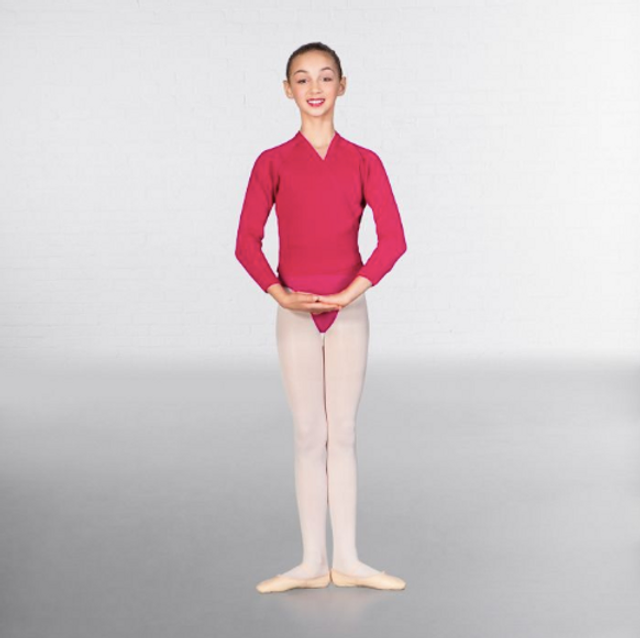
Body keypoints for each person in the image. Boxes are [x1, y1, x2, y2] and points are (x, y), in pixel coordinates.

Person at [235, 42, 408, 593]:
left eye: (326, 77)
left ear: (342, 86)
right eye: (303, 78)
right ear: (287, 90)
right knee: (310, 432)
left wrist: (352, 291)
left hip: (348, 311)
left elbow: (393, 239)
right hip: (296, 313)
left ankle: (348, 560)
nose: (315, 88)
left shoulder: (364, 161)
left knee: (344, 432)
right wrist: (280, 294)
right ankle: (312, 562)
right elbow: (246, 242)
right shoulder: (272, 162)